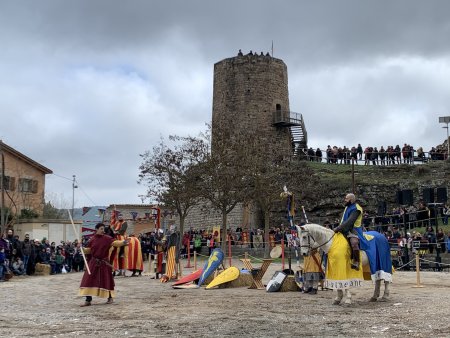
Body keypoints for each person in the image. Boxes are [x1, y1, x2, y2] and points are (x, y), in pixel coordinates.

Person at [78, 223, 129, 307]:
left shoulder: (107, 238)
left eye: (103, 229)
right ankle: (88, 300)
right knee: (88, 280)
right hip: (94, 263)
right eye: (101, 229)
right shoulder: (92, 239)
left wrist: (123, 242)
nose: (103, 230)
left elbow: (115, 243)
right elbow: (89, 251)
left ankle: (110, 297)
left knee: (106, 280)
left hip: (104, 263)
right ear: (96, 229)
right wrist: (82, 249)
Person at [333, 193, 363, 270]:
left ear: (351, 200)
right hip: (344, 228)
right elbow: (343, 220)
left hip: (354, 230)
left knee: (354, 243)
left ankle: (356, 261)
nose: (345, 200)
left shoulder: (357, 209)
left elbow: (349, 222)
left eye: (346, 199)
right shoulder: (347, 207)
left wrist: (337, 228)